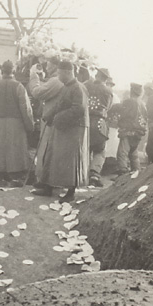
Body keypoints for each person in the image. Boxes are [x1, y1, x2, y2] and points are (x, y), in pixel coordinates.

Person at [40, 60, 90, 201]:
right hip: (64, 126)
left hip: (74, 128)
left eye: (59, 73)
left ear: (68, 73)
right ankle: (48, 186)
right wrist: (49, 116)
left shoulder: (78, 88)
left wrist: (57, 117)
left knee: (71, 159)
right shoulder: (66, 87)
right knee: (53, 155)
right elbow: (60, 105)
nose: (58, 76)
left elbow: (78, 109)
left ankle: (71, 192)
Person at [0, 60, 34, 188]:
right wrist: (29, 125)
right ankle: (14, 176)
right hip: (16, 122)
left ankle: (0, 176)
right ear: (13, 71)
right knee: (15, 148)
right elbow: (25, 108)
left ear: (2, 71)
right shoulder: (19, 86)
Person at [28, 56, 64, 195]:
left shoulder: (55, 80)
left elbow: (37, 92)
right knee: (50, 150)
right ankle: (47, 181)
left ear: (55, 66)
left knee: (47, 150)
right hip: (55, 118)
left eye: (48, 65)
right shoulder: (56, 80)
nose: (46, 67)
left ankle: (46, 183)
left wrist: (34, 77)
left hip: (51, 120)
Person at [85, 68, 114, 186]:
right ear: (106, 79)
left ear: (97, 75)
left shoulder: (86, 85)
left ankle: (81, 174)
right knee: (100, 150)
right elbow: (108, 107)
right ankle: (95, 174)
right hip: (99, 123)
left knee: (85, 149)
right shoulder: (108, 91)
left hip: (85, 120)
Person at [116, 83, 148, 175]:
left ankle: (123, 173)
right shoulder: (143, 103)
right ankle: (137, 172)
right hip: (139, 132)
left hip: (129, 130)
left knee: (122, 153)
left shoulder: (129, 102)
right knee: (133, 154)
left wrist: (120, 123)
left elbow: (124, 114)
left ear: (132, 91)